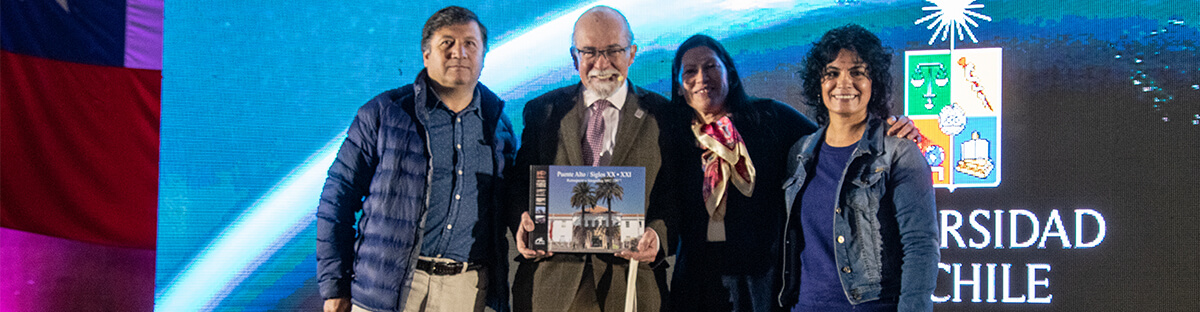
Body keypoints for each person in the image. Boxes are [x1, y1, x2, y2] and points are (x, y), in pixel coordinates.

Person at [659, 35, 923, 312]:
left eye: (711, 67)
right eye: (690, 71)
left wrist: (888, 130)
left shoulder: (771, 118)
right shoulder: (671, 138)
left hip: (765, 281)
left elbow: (837, 139)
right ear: (678, 86)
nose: (702, 77)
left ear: (730, 74)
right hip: (697, 282)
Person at [315, 6, 516, 312]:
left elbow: (509, 207)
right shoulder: (384, 114)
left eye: (469, 44)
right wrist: (334, 287)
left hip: (465, 292)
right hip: (385, 291)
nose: (458, 53)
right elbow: (336, 202)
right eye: (446, 43)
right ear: (426, 55)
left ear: (483, 55)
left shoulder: (498, 126)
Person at [507, 5, 669, 312]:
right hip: (552, 285)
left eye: (614, 50)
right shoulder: (543, 111)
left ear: (632, 53)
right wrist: (522, 220)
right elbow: (518, 185)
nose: (602, 63)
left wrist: (658, 237)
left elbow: (676, 193)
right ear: (574, 57)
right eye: (589, 52)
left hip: (631, 286)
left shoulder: (663, 115)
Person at [778, 24, 939, 312]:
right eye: (832, 73)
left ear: (873, 82)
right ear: (818, 83)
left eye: (857, 72)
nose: (844, 83)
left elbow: (920, 246)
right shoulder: (799, 153)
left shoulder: (898, 152)